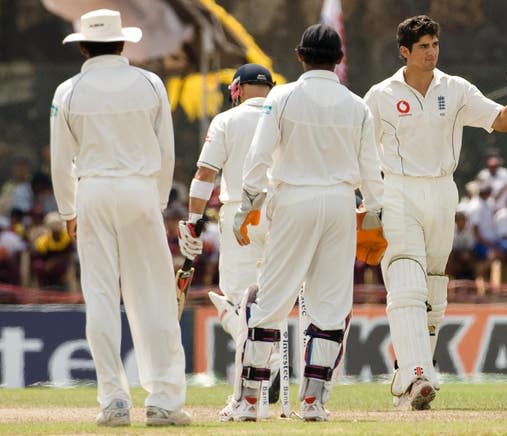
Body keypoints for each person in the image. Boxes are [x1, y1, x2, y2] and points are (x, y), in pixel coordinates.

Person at [363, 14, 507, 410]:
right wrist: (368, 200)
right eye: (423, 47)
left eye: (435, 45)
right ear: (405, 52)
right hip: (398, 189)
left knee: (433, 290)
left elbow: (500, 122)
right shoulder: (380, 95)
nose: (431, 53)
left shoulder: (456, 88)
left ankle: (410, 375)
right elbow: (361, 151)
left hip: (442, 193)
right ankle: (416, 377)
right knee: (407, 283)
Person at [223, 24, 384, 422]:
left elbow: (258, 158)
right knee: (330, 306)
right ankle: (314, 401)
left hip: (293, 199)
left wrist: (247, 206)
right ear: (339, 60)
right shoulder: (356, 104)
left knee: (271, 300)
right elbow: (372, 172)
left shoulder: (282, 96)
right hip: (341, 204)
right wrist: (376, 216)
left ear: (300, 56)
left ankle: (247, 401)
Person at [50, 9, 190, 427]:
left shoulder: (68, 90)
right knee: (155, 297)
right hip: (140, 189)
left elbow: (61, 161)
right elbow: (166, 150)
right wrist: (159, 200)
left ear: (84, 46)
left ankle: (113, 402)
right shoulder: (149, 84)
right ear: (123, 43)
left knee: (101, 298)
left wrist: (68, 210)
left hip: (92, 191)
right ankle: (164, 401)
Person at [177, 63, 282, 404]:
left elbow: (204, 174)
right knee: (273, 298)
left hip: (241, 212)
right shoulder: (284, 113)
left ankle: (269, 366)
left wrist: (194, 220)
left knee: (237, 301)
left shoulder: (226, 120)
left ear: (237, 88)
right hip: (284, 211)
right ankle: (273, 366)